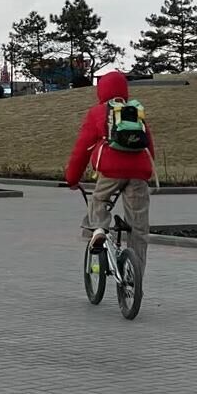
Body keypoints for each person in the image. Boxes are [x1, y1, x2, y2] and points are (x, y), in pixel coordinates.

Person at [65, 70, 154, 276]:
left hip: (110, 171)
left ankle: (99, 231)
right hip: (139, 173)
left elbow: (82, 149)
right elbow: (148, 144)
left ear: (101, 90)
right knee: (138, 226)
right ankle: (135, 274)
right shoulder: (135, 110)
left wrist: (72, 178)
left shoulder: (98, 112)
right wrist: (145, 172)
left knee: (98, 201)